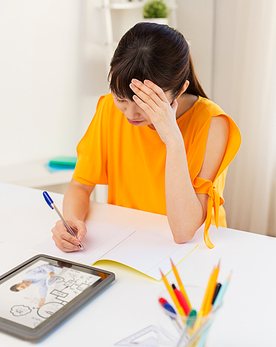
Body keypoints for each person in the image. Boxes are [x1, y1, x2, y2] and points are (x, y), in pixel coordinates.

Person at [51, 22, 241, 252]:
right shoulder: (108, 109)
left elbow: (183, 231)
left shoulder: (212, 125)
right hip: (129, 242)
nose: (131, 114)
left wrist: (173, 139)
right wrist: (71, 221)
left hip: (194, 251)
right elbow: (80, 186)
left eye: (145, 103)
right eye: (122, 99)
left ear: (179, 90)